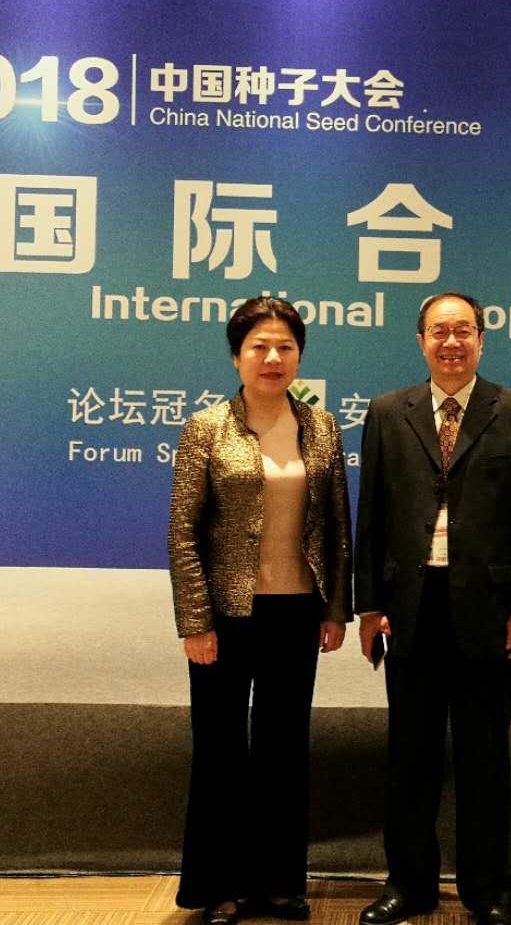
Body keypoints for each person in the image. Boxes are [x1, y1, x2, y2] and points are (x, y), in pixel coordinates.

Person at [354, 292, 511, 925]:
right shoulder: (388, 412)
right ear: (421, 342)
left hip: (487, 610)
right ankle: (408, 884)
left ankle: (490, 890)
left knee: (484, 754)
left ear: (482, 340)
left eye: (463, 330)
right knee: (409, 754)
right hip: (409, 607)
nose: (451, 342)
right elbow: (371, 514)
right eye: (439, 332)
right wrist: (368, 606)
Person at [167, 296, 352, 925]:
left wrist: (336, 610)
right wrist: (195, 623)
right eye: (259, 347)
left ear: (299, 356)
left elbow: (336, 527)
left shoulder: (321, 428)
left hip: (296, 612)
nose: (273, 358)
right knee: (220, 750)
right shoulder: (206, 428)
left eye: (286, 347)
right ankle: (217, 886)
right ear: (237, 356)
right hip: (226, 615)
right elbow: (183, 533)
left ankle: (278, 883)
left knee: (283, 748)